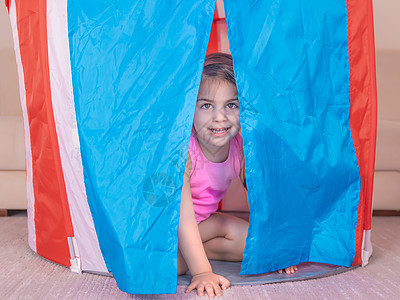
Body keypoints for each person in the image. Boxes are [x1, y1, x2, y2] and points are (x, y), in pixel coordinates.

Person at [178, 53, 298, 298]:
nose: (219, 117)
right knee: (172, 265)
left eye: (231, 105)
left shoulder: (240, 149)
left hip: (204, 226)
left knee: (256, 242)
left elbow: (263, 196)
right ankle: (193, 256)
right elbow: (183, 217)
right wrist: (201, 272)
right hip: (169, 227)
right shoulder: (184, 153)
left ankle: (196, 250)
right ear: (189, 108)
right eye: (206, 105)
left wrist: (275, 246)